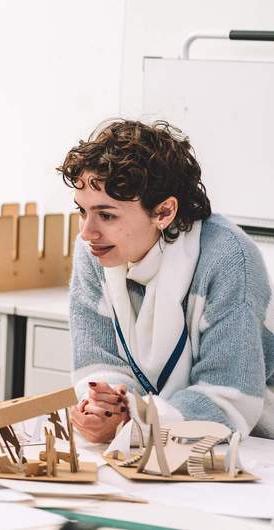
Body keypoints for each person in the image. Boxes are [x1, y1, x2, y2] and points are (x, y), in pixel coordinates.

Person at [60, 119, 274, 443]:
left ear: (163, 212)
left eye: (107, 215)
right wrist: (107, 408)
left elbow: (229, 396)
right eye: (82, 211)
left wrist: (134, 419)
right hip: (161, 440)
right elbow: (99, 364)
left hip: (254, 442)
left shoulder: (230, 260)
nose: (86, 232)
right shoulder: (95, 251)